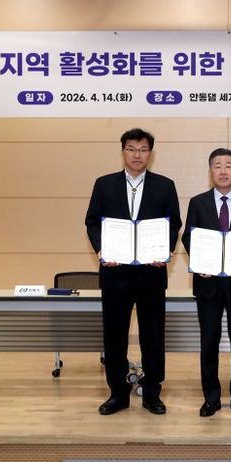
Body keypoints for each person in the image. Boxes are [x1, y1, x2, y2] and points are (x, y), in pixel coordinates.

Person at [85, 128, 182, 416]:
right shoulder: (104, 184)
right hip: (115, 273)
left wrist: (164, 251)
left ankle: (152, 392)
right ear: (123, 152)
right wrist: (102, 249)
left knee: (153, 335)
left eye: (142, 149)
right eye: (131, 149)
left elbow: (174, 224)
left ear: (150, 153)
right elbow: (92, 222)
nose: (137, 155)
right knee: (114, 335)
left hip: (151, 273)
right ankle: (118, 393)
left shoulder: (165, 186)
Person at [182, 148, 231, 418]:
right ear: (210, 172)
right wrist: (200, 262)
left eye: (228, 165)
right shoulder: (198, 202)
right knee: (209, 342)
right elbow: (188, 237)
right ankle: (211, 398)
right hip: (208, 283)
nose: (223, 171)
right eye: (218, 166)